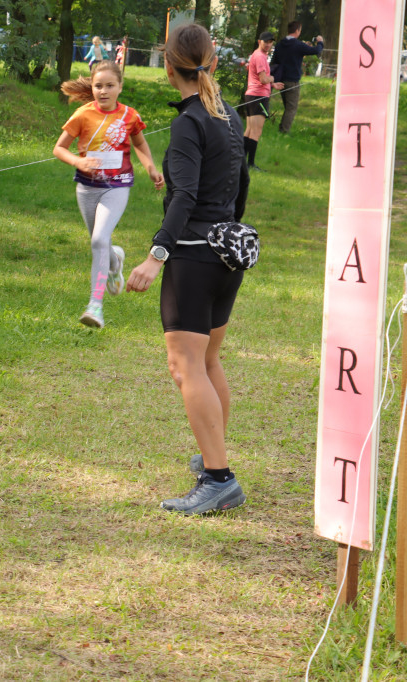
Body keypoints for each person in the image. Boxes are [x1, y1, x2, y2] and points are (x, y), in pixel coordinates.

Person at [125, 23, 250, 516]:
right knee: (209, 361)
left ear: (168, 66)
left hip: (195, 257)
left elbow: (183, 197)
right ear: (211, 62)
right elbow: (240, 185)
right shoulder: (229, 116)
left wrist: (156, 256)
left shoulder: (188, 122)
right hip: (226, 253)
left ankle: (218, 478)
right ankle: (212, 458)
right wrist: (230, 228)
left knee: (186, 367)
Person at [55, 61, 164, 329]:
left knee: (98, 241)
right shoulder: (82, 115)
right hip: (87, 188)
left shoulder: (129, 115)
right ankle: (115, 260)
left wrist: (150, 167)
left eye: (109, 86)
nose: (103, 91)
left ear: (120, 87)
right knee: (100, 242)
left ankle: (95, 306)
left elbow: (140, 144)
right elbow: (59, 149)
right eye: (98, 86)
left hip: (118, 187)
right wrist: (78, 162)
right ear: (92, 87)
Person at [239, 31, 283, 172]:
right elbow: (264, 79)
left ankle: (242, 163)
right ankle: (250, 164)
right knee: (256, 131)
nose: (268, 44)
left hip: (251, 95)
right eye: (266, 42)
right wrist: (272, 79)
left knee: (250, 129)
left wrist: (272, 85)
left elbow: (260, 79)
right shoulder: (260, 57)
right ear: (259, 41)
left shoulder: (257, 55)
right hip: (259, 97)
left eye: (270, 42)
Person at [270, 20, 323, 134]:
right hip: (292, 81)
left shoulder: (280, 44)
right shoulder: (298, 45)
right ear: (298, 31)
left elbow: (274, 62)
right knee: (291, 108)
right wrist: (320, 42)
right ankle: (283, 131)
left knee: (287, 106)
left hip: (280, 80)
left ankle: (282, 128)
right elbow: (316, 50)